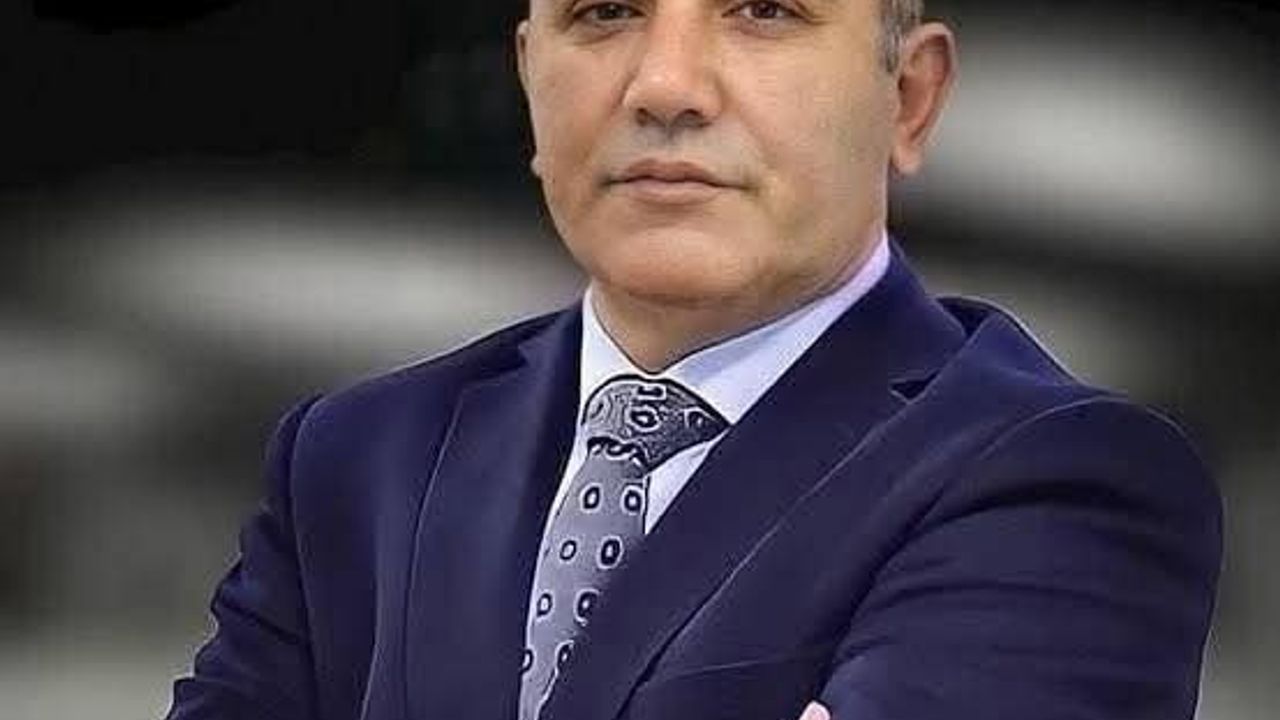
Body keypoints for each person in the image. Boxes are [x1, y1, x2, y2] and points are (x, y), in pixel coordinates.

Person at [166, 1, 1223, 719]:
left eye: (763, 10)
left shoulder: (1064, 485)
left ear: (908, 96)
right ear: (529, 78)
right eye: (603, 13)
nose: (664, 86)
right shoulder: (356, 457)